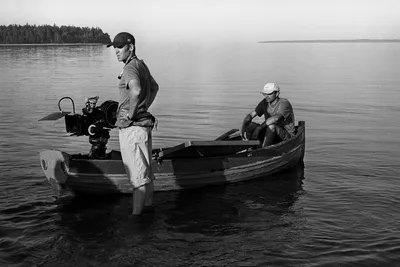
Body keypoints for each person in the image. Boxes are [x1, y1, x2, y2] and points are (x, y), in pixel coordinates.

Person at [107, 32, 159, 215]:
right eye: (114, 47)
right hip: (143, 127)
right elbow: (154, 87)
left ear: (131, 47)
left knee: (138, 180)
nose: (116, 51)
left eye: (119, 47)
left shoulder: (130, 68)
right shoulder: (141, 65)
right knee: (146, 176)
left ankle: (136, 222)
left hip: (132, 128)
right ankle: (149, 213)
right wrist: (143, 108)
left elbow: (135, 91)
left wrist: (130, 115)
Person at [239, 82, 295, 147]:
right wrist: (243, 128)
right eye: (265, 94)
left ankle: (263, 150)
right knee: (250, 125)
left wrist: (259, 128)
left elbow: (275, 118)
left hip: (286, 137)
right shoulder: (265, 102)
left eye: (269, 94)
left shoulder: (284, 103)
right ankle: (250, 146)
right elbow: (251, 115)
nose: (266, 96)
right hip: (269, 133)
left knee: (271, 126)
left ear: (277, 93)